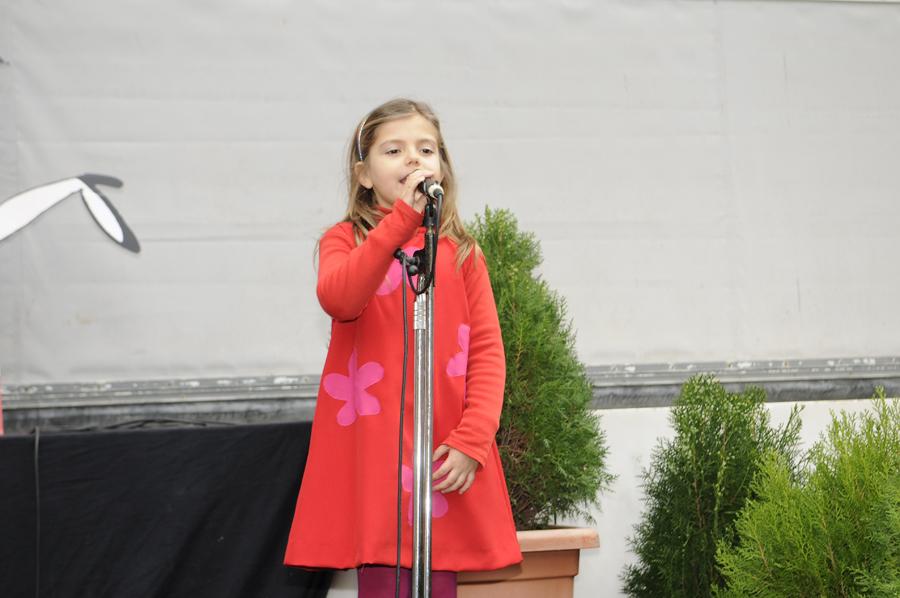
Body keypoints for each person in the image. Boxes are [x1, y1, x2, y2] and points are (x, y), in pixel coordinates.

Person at [283, 98, 521, 597]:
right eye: (394, 150)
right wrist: (401, 222)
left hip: (440, 447)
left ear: (442, 168)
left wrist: (473, 438)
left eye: (426, 149)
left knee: (438, 574)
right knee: (383, 570)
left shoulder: (462, 253)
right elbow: (340, 297)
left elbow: (486, 351)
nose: (413, 159)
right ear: (364, 175)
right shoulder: (344, 240)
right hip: (373, 447)